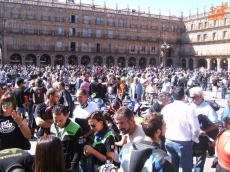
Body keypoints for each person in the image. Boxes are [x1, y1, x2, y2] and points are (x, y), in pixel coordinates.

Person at [161, 86, 200, 172]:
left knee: (172, 168)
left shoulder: (166, 108)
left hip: (169, 140)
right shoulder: (189, 109)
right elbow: (196, 128)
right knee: (186, 168)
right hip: (183, 142)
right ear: (184, 96)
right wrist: (194, 139)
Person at [189, 87, 219, 172]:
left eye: (194, 97)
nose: (192, 99)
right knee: (188, 162)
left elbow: (216, 124)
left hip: (201, 141)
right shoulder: (190, 105)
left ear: (200, 96)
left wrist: (204, 131)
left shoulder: (208, 109)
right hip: (189, 139)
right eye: (191, 97)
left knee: (199, 162)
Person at [50, 104, 83, 170]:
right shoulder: (53, 126)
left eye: (61, 120)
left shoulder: (76, 128)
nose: (58, 123)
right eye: (55, 120)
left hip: (69, 165)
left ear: (67, 116)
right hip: (55, 164)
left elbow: (79, 150)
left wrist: (72, 167)